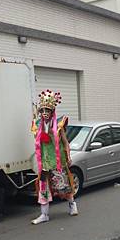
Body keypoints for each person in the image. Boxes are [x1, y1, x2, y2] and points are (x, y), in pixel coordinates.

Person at [31, 90, 78, 224]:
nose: (45, 113)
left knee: (64, 186)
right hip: (45, 164)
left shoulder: (58, 126)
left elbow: (65, 142)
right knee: (43, 188)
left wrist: (68, 156)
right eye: (43, 110)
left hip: (58, 163)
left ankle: (72, 205)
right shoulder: (38, 126)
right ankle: (44, 214)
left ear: (52, 112)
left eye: (47, 110)